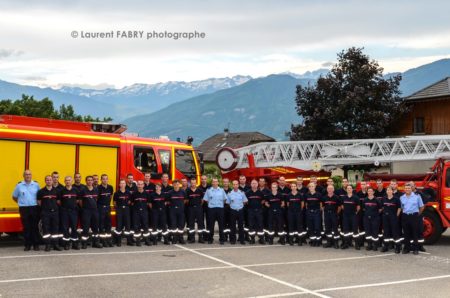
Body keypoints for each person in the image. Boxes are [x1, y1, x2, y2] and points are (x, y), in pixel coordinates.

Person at [12, 170, 41, 251]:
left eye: (29, 174)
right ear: (23, 176)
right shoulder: (19, 186)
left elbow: (39, 196)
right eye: (26, 174)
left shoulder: (36, 185)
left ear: (31, 176)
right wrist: (21, 202)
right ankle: (27, 245)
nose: (28, 176)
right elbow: (14, 196)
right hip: (24, 209)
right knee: (26, 227)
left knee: (35, 227)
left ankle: (36, 244)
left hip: (34, 208)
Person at [37, 175, 62, 251]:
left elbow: (58, 201)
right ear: (45, 181)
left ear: (52, 181)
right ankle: (47, 245)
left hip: (55, 213)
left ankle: (55, 244)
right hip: (45, 213)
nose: (49, 181)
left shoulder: (57, 191)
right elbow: (39, 202)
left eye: (50, 180)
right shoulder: (41, 191)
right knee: (46, 229)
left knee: (55, 228)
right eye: (47, 180)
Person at [400, 183, 424, 255]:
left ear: (412, 189)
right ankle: (406, 248)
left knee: (415, 233)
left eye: (409, 188)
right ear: (404, 189)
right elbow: (401, 207)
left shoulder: (417, 197)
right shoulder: (402, 197)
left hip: (414, 216)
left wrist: (417, 214)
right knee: (406, 233)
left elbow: (421, 207)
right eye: (406, 188)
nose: (407, 189)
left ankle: (415, 249)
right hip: (405, 216)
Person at [80, 176, 102, 249]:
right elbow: (80, 202)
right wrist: (85, 208)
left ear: (93, 181)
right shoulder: (83, 190)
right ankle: (84, 243)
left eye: (91, 180)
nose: (90, 181)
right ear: (86, 181)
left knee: (95, 227)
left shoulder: (96, 189)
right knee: (85, 228)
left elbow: (97, 199)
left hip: (95, 211)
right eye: (88, 180)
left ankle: (95, 242)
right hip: (86, 211)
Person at [203, 178, 227, 244]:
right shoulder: (208, 190)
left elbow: (225, 199)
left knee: (221, 225)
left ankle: (222, 239)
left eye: (216, 181)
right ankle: (210, 239)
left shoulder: (222, 190)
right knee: (211, 225)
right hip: (211, 209)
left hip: (220, 209)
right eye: (214, 182)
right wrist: (211, 204)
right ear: (212, 183)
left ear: (218, 183)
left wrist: (220, 204)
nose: (215, 183)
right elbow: (206, 200)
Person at [59, 176, 80, 250]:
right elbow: (59, 201)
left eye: (69, 180)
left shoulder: (76, 190)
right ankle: (66, 244)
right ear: (64, 181)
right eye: (66, 180)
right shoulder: (61, 191)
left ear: (72, 181)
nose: (68, 182)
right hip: (64, 212)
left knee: (74, 227)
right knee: (65, 228)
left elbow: (78, 200)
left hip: (73, 211)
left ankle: (75, 243)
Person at [381, 186, 402, 253]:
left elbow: (399, 208)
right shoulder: (384, 198)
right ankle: (386, 246)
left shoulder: (396, 199)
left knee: (395, 232)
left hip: (393, 217)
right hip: (385, 218)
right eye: (387, 190)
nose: (389, 191)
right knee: (386, 232)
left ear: (392, 191)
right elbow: (382, 207)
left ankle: (397, 247)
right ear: (386, 191)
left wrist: (396, 215)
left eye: (390, 190)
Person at [226, 180, 248, 245]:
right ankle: (233, 240)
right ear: (232, 185)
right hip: (233, 211)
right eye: (234, 184)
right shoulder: (229, 193)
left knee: (241, 226)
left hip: (240, 211)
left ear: (238, 185)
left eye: (236, 184)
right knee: (232, 226)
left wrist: (240, 206)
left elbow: (245, 201)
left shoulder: (242, 192)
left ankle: (242, 240)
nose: (235, 186)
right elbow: (228, 203)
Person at [245, 179, 266, 244]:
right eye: (252, 183)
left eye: (255, 183)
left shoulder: (261, 193)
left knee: (260, 225)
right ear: (251, 184)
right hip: (250, 211)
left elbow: (263, 201)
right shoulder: (247, 192)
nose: (254, 185)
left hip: (259, 211)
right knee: (251, 225)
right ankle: (252, 239)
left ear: (257, 184)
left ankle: (261, 239)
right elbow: (246, 201)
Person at [131, 180, 151, 246]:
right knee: (136, 227)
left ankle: (147, 240)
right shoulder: (134, 194)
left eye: (141, 184)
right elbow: (132, 203)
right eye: (138, 184)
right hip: (136, 212)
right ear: (137, 185)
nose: (140, 186)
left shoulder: (147, 194)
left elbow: (149, 203)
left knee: (145, 226)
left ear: (143, 185)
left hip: (144, 212)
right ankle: (138, 241)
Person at [113, 179, 132, 246]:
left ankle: (129, 241)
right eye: (121, 183)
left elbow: (130, 201)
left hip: (126, 210)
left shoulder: (128, 192)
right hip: (119, 210)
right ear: (119, 185)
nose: (122, 184)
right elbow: (115, 203)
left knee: (128, 226)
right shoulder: (116, 193)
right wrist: (118, 208)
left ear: (125, 184)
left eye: (124, 183)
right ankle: (118, 241)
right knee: (119, 226)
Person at [167, 180, 186, 244]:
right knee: (173, 225)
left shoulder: (183, 192)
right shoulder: (170, 192)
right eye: (175, 184)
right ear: (173, 185)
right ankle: (174, 238)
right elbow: (168, 201)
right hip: (173, 211)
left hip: (181, 211)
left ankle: (181, 238)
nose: (176, 185)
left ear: (179, 185)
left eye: (177, 184)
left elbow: (185, 200)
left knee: (181, 225)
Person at [186, 177, 205, 243]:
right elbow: (187, 200)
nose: (193, 184)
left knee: (200, 223)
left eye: (194, 183)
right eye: (192, 183)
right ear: (190, 184)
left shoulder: (200, 190)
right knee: (191, 224)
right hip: (191, 209)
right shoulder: (188, 190)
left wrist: (198, 206)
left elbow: (202, 200)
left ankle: (200, 238)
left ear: (196, 183)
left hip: (198, 208)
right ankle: (192, 238)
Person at [341, 185, 360, 250]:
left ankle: (357, 244)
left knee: (355, 230)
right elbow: (342, 206)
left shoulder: (356, 197)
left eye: (350, 188)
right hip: (345, 215)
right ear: (346, 190)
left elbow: (358, 207)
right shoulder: (343, 198)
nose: (349, 189)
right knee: (346, 230)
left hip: (353, 215)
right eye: (348, 188)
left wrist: (355, 213)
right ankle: (346, 243)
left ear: (352, 189)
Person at [321, 185, 341, 249]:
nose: (330, 190)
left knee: (335, 229)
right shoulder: (324, 197)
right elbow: (322, 206)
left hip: (334, 214)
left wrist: (336, 213)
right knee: (328, 228)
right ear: (327, 190)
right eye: (328, 189)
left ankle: (336, 243)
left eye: (331, 188)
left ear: (333, 189)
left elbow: (339, 207)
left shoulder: (336, 197)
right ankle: (329, 242)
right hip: (327, 214)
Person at [97, 174, 114, 247]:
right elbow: (97, 199)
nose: (105, 180)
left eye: (106, 179)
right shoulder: (98, 188)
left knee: (108, 224)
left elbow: (110, 197)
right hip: (100, 207)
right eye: (103, 179)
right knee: (101, 224)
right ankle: (102, 241)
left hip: (107, 207)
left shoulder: (110, 187)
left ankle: (108, 240)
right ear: (101, 180)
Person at [410, 181, 426, 252]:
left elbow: (424, 204)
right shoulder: (407, 194)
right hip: (410, 216)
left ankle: (421, 246)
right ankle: (412, 245)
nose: (410, 187)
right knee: (411, 231)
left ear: (415, 186)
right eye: (409, 186)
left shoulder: (419, 194)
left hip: (418, 215)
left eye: (412, 185)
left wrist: (419, 213)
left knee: (420, 230)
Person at [356, 180, 369, 246]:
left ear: (366, 185)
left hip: (368, 213)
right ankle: (361, 241)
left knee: (368, 227)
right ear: (360, 186)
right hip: (360, 213)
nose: (363, 185)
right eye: (362, 184)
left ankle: (369, 241)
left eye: (364, 184)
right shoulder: (358, 194)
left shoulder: (369, 193)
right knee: (361, 228)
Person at [222, 178, 232, 242]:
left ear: (228, 183)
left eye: (227, 182)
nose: (225, 183)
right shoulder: (220, 190)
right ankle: (225, 236)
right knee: (224, 223)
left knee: (230, 223)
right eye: (224, 182)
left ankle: (230, 236)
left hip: (230, 209)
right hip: (223, 209)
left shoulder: (231, 190)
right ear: (223, 183)